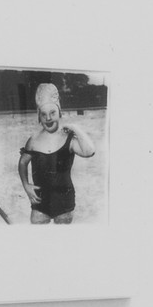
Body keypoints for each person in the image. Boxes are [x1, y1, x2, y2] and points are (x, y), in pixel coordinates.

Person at [17, 82, 97, 224]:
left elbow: (90, 151)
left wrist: (75, 128)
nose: (48, 118)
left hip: (64, 203)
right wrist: (26, 185)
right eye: (43, 114)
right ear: (39, 118)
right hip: (40, 202)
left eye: (52, 113)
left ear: (60, 112)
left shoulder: (68, 139)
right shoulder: (34, 140)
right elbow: (23, 162)